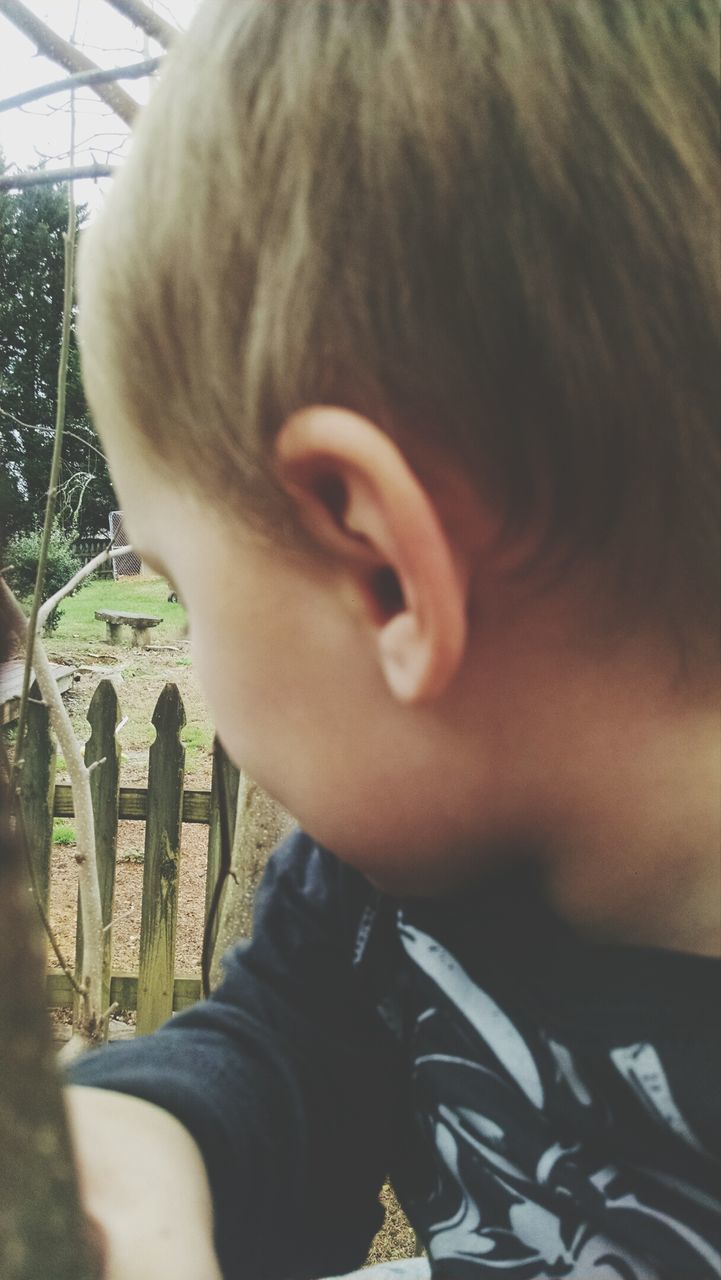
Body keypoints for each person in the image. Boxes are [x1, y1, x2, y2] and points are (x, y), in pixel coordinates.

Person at [65, 2, 720, 1278]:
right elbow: (265, 1056)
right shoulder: (377, 887)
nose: (192, 653)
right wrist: (129, 1153)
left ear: (381, 569)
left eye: (184, 588)